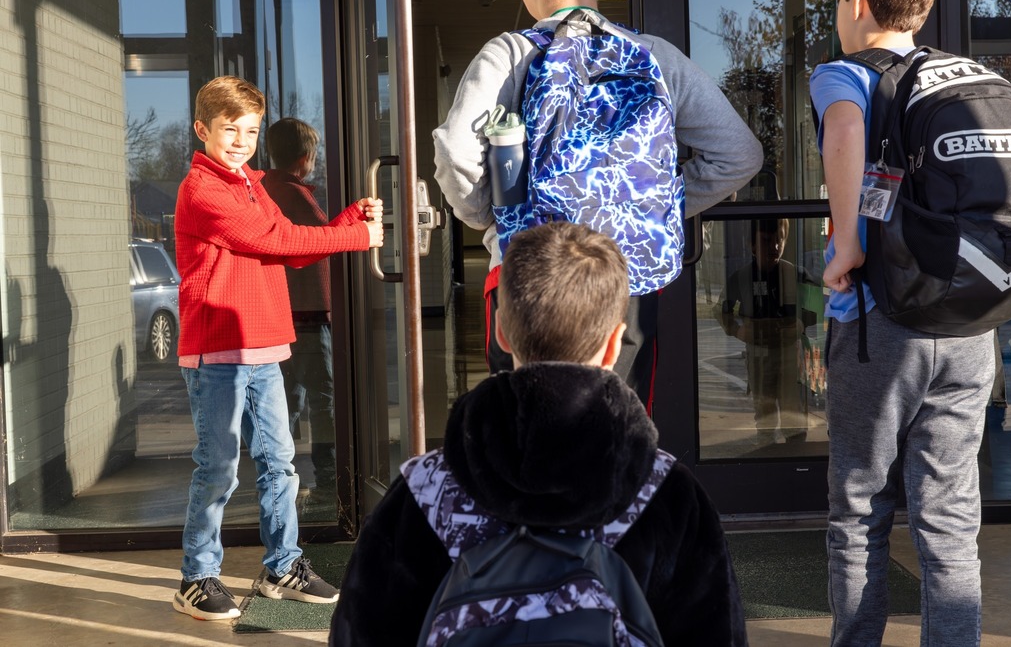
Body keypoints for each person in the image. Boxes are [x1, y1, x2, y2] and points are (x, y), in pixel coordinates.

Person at [328, 221, 748, 646]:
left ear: (501, 333)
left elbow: (359, 633)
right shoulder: (666, 492)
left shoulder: (424, 491)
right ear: (614, 344)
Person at [433, 0, 763, 409]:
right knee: (618, 428)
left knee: (525, 429)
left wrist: (490, 218)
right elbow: (740, 155)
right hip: (627, 280)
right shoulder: (655, 56)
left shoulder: (509, 54)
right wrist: (652, 209)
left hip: (529, 272)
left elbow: (456, 154)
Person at [809, 0, 995, 645]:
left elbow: (844, 135)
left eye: (835, 2)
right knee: (949, 521)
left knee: (859, 514)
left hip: (878, 327)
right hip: (968, 324)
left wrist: (847, 246)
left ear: (855, 1)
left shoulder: (845, 73)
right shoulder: (960, 75)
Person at [172, 76, 384, 621]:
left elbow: (289, 248)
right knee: (218, 466)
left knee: (280, 462)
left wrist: (344, 222)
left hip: (265, 343)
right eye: (229, 130)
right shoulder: (204, 189)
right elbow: (274, 241)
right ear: (202, 130)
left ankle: (282, 567)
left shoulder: (250, 183)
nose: (241, 141)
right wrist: (354, 238)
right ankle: (196, 578)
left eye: (250, 131)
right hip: (218, 352)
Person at [263, 117, 336, 502]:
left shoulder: (264, 189)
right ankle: (328, 474)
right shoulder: (294, 194)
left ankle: (281, 476)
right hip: (308, 315)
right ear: (306, 158)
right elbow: (323, 238)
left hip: (282, 314)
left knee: (288, 396)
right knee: (323, 395)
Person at [714, 218, 806, 445]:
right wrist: (736, 331)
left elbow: (817, 307)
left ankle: (795, 455)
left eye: (779, 240)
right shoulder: (742, 277)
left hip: (789, 352)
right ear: (751, 246)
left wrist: (802, 324)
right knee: (764, 411)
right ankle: (766, 452)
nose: (775, 247)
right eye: (766, 241)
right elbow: (720, 309)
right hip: (758, 352)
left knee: (792, 410)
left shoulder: (795, 274)